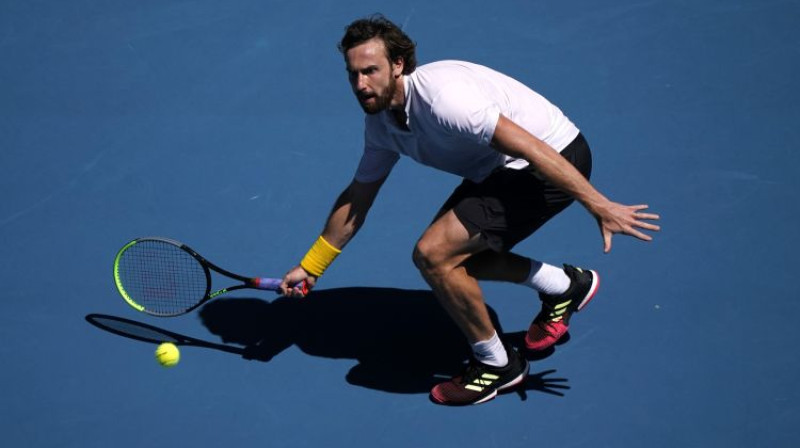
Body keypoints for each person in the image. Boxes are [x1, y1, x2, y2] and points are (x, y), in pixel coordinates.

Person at [280, 15, 660, 406]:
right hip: (499, 169)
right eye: (353, 74)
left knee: (434, 255)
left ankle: (497, 366)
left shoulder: (446, 102)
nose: (361, 85)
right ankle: (565, 286)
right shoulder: (380, 126)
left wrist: (598, 204)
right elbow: (359, 197)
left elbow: (532, 148)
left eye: (370, 71)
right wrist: (312, 265)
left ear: (398, 65)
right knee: (455, 263)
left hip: (551, 160)